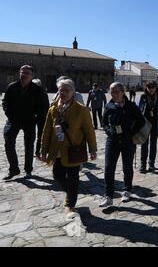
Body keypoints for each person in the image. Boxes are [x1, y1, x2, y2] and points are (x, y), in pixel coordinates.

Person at [40, 78, 97, 218]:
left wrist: (93, 149)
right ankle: (71, 192)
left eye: (67, 90)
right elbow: (46, 130)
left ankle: (70, 204)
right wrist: (43, 150)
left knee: (73, 178)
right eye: (61, 90)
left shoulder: (81, 110)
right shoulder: (53, 109)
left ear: (73, 92)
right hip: (57, 150)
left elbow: (89, 130)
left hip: (73, 150)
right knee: (57, 176)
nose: (64, 93)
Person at [100, 82, 145, 207]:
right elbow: (104, 123)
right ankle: (108, 195)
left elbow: (141, 121)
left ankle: (127, 190)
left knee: (127, 167)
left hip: (128, 142)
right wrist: (110, 132)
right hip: (112, 141)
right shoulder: (108, 106)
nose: (113, 94)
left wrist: (131, 133)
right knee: (109, 168)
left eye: (116, 92)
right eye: (111, 92)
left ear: (122, 92)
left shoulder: (131, 106)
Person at [2, 65, 49, 180]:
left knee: (29, 146)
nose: (24, 74)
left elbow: (43, 107)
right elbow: (5, 102)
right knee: (8, 143)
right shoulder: (12, 86)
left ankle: (28, 170)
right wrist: (9, 114)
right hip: (13, 120)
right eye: (22, 72)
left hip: (29, 121)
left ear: (32, 76)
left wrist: (36, 118)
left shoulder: (38, 90)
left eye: (27, 73)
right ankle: (14, 169)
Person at [138, 81, 158, 173]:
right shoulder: (143, 97)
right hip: (145, 124)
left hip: (155, 123)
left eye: (153, 87)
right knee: (144, 144)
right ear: (146, 88)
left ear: (156, 88)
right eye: (149, 87)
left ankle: (151, 163)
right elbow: (139, 110)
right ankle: (143, 164)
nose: (151, 89)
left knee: (153, 144)